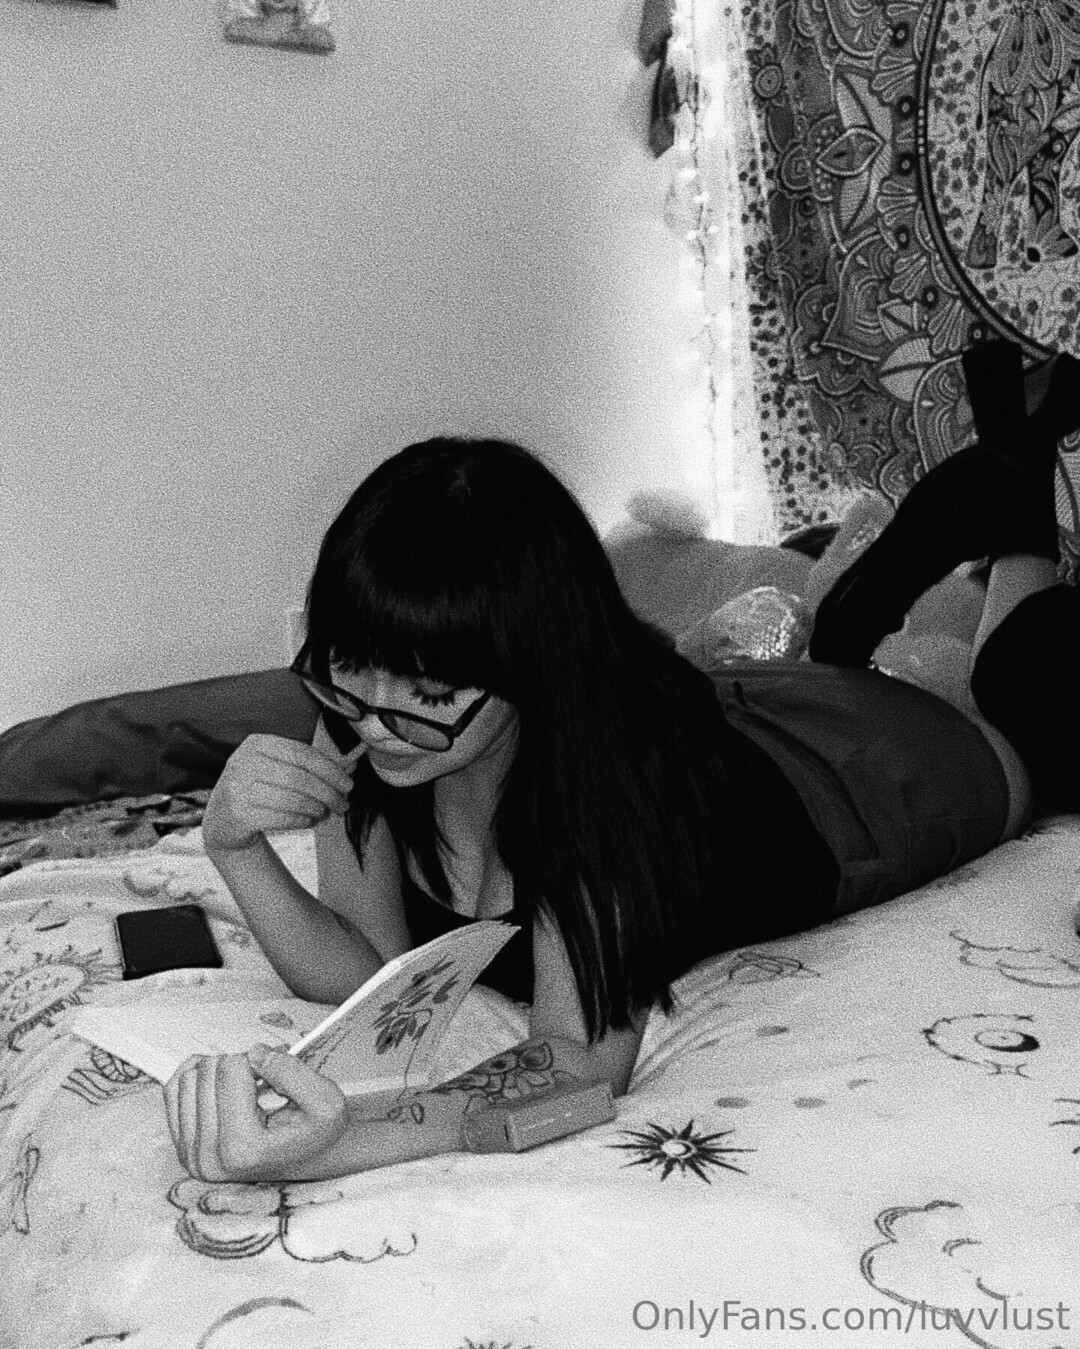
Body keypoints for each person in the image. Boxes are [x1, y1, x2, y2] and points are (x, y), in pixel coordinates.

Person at [165, 344, 1079, 1183]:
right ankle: (865, 601)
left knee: (1020, 700)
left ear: (533, 666)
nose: (377, 721)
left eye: (429, 694)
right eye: (349, 669)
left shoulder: (605, 785)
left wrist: (342, 1142)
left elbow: (579, 1063)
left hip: (874, 780)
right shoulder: (365, 721)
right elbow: (369, 973)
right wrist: (233, 847)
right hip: (721, 717)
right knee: (805, 660)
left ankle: (1020, 501)